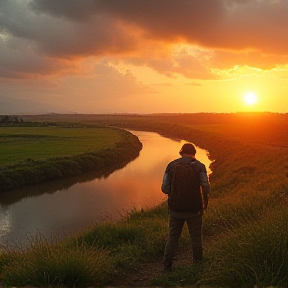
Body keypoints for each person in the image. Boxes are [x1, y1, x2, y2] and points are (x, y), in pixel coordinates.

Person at [161, 142, 210, 273]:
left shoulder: (171, 165)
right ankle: (198, 265)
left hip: (175, 210)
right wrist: (204, 201)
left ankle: (167, 265)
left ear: (181, 152)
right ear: (194, 153)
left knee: (172, 237)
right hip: (195, 210)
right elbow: (206, 187)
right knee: (196, 238)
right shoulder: (200, 166)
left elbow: (164, 188)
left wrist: (176, 194)